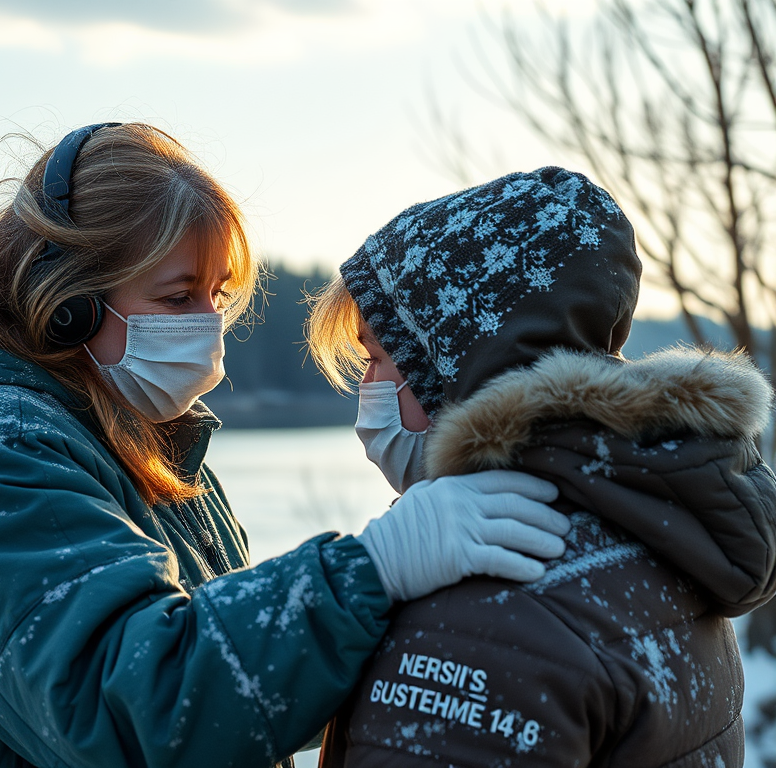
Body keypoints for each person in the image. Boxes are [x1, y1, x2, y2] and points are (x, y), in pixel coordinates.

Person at [0, 123, 573, 768]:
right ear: (67, 304)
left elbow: (240, 693)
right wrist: (373, 570)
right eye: (177, 297)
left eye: (217, 295)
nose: (209, 325)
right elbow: (135, 713)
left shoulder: (143, 444)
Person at [307, 166, 776, 767]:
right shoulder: (657, 528)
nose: (366, 388)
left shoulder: (477, 608)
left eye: (378, 358)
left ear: (459, 363)